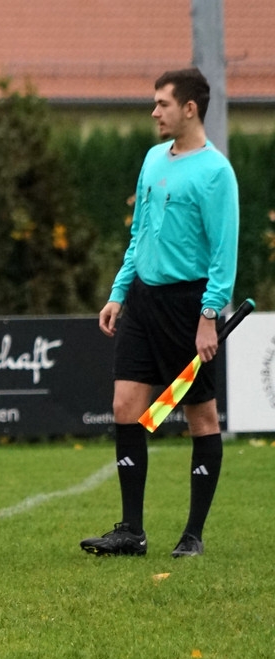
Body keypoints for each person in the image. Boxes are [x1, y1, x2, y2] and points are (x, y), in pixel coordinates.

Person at [81, 68, 239, 559]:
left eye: (162, 104)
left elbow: (224, 254)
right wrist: (118, 293)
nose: (154, 112)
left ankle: (193, 534)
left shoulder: (216, 172)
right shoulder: (152, 159)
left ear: (189, 108)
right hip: (142, 301)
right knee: (125, 407)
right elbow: (139, 235)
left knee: (200, 415)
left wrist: (209, 315)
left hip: (188, 306)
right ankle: (131, 531)